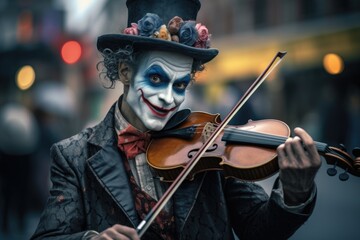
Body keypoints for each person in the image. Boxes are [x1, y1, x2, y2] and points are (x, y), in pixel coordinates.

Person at [31, 0, 322, 239]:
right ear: (124, 72)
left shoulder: (211, 148)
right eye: (157, 78)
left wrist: (295, 193)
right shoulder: (73, 156)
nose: (169, 98)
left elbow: (260, 230)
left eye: (180, 85)